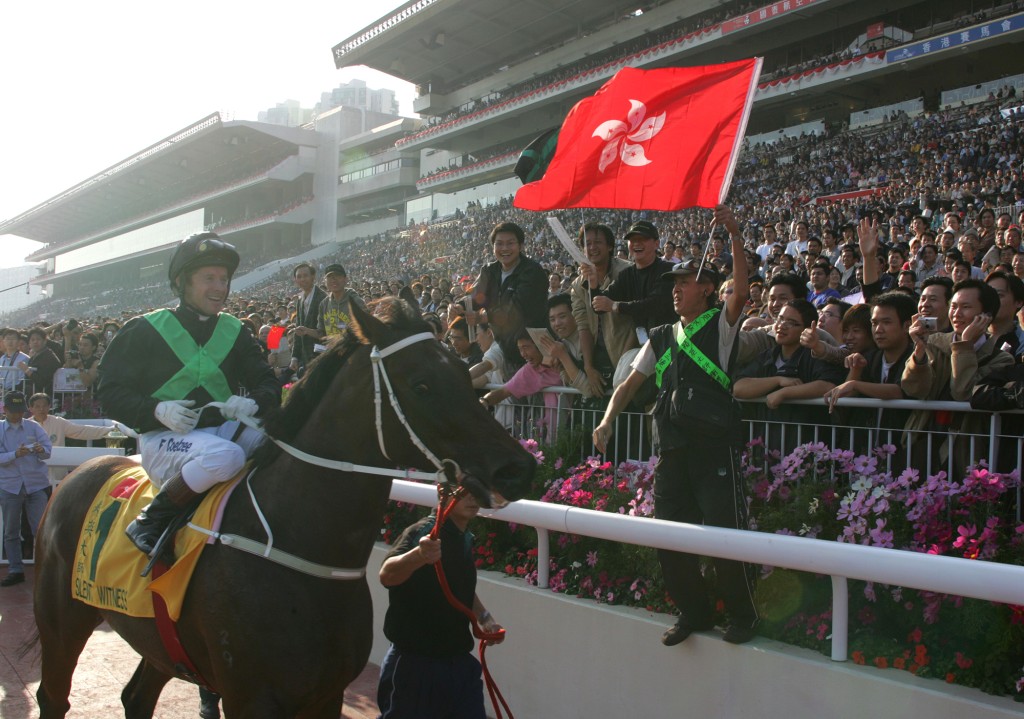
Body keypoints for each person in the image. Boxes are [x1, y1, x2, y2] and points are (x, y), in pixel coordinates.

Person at [593, 205, 759, 646]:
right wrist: (608, 419)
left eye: (683, 282)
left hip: (713, 448)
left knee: (726, 535)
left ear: (706, 289)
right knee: (670, 537)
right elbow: (629, 384)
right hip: (671, 450)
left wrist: (735, 235)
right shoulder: (663, 335)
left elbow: (740, 293)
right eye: (673, 284)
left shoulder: (721, 327)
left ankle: (743, 615)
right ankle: (694, 612)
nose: (675, 290)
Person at [98, 233, 281, 561]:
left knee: (283, 445)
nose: (219, 288)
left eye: (224, 279)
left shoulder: (235, 330)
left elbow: (267, 382)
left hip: (222, 432)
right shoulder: (144, 329)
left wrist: (255, 401)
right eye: (208, 278)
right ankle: (151, 519)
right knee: (227, 457)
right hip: (164, 439)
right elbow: (109, 393)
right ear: (182, 282)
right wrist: (156, 410)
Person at [377, 489, 504, 719]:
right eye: (465, 490)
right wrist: (418, 555)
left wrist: (484, 617)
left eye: (476, 490)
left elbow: (458, 586)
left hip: (458, 664)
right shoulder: (424, 531)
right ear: (444, 491)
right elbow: (387, 575)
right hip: (415, 667)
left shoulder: (463, 536)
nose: (473, 497)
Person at [469, 222, 548, 371]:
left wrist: (485, 318)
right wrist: (458, 307)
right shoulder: (489, 270)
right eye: (499, 244)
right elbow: (476, 297)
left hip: (535, 351)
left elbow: (517, 309)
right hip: (506, 349)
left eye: (510, 243)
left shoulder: (532, 271)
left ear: (521, 246)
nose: (504, 249)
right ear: (493, 247)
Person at [0, 391, 52, 587]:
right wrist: (14, 454)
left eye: (20, 411)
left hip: (35, 485)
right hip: (10, 486)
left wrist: (41, 451)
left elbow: (48, 451)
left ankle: (45, 569)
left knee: (40, 529)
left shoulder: (34, 427)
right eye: (13, 411)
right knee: (11, 531)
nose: (17, 415)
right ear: (5, 410)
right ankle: (15, 569)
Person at [27, 393, 119, 485]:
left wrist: (109, 430)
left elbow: (81, 431)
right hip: (34, 479)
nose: (41, 409)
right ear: (30, 408)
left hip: (58, 478)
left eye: (44, 406)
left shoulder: (58, 422)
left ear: (49, 407)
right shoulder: (26, 426)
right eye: (37, 406)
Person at [290, 262, 327, 374]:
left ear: (313, 276)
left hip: (322, 355)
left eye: (305, 275)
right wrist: (295, 357)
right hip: (306, 359)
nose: (302, 279)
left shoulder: (324, 298)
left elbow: (326, 330)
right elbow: (298, 331)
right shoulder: (299, 301)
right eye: (299, 277)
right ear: (295, 280)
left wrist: (307, 331)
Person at [316, 263, 366, 342]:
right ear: (325, 282)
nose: (333, 280)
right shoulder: (323, 304)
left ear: (345, 279)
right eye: (329, 277)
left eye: (338, 276)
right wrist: (306, 331)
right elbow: (321, 332)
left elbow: (364, 327)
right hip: (333, 349)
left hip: (353, 348)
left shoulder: (355, 301)